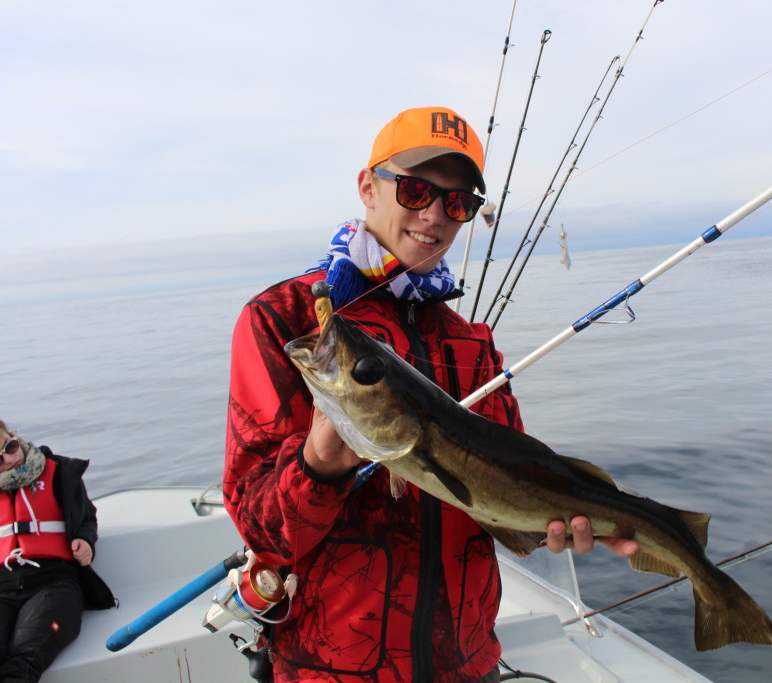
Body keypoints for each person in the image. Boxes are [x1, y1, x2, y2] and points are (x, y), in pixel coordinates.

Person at [223, 106, 637, 683]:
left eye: (458, 202)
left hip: (469, 666)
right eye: (416, 190)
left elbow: (508, 488)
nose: (436, 216)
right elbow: (259, 530)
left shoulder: (472, 342)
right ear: (368, 187)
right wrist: (317, 464)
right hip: (332, 671)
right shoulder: (291, 321)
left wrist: (562, 522)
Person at [0, 416, 114, 682]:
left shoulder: (60, 471)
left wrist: (85, 541)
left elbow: (86, 518)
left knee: (24, 658)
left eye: (10, 446)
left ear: (13, 435)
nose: (9, 459)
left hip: (53, 583)